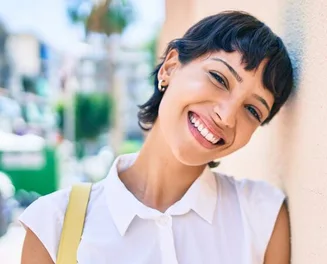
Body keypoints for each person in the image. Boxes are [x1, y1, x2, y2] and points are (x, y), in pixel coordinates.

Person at [20, 11, 294, 264]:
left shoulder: (262, 216)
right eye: (219, 78)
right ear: (170, 68)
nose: (226, 116)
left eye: (252, 110)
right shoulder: (52, 224)